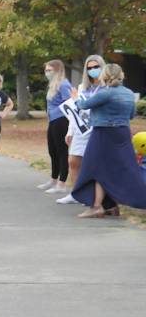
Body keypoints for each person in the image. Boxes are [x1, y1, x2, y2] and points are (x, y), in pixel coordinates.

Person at [71, 63, 146, 217]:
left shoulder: (105, 93)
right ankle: (111, 205)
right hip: (123, 133)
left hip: (103, 132)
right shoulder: (129, 93)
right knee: (116, 168)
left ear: (104, 76)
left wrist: (75, 99)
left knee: (96, 167)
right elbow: (131, 115)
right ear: (121, 75)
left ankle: (97, 206)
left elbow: (84, 105)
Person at [56, 55, 104, 205]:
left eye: (96, 67)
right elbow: (74, 110)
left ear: (102, 67)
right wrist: (70, 131)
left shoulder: (106, 87)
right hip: (80, 129)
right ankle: (76, 194)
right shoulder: (82, 87)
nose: (93, 70)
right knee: (73, 161)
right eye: (89, 68)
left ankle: (93, 196)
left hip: (97, 129)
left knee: (92, 164)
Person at [41, 59, 74, 194]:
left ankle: (62, 183)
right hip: (53, 120)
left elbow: (70, 104)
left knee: (61, 152)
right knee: (52, 150)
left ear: (57, 70)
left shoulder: (64, 84)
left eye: (50, 70)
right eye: (46, 70)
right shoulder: (52, 85)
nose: (47, 73)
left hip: (61, 120)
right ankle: (53, 179)